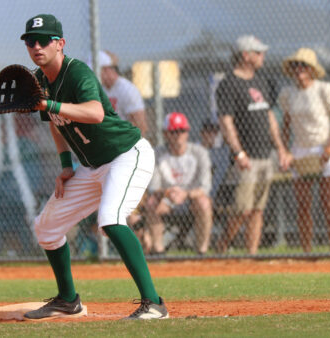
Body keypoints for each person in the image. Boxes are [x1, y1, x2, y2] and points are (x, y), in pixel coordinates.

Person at [19, 14, 168, 320]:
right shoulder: (40, 82)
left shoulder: (77, 73)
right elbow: (55, 125)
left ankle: (154, 304)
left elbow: (95, 113)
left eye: (44, 40)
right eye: (31, 41)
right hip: (91, 166)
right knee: (45, 228)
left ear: (60, 44)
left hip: (127, 154)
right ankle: (67, 300)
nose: (36, 46)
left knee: (110, 219)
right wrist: (65, 166)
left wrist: (50, 105)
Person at [215, 35, 292, 255]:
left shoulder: (262, 80)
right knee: (242, 209)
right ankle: (221, 249)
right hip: (246, 156)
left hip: (264, 154)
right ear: (245, 55)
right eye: (258, 53)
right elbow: (226, 121)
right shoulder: (229, 84)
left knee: (258, 209)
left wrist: (280, 148)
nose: (262, 56)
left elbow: (269, 117)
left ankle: (252, 254)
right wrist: (238, 152)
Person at [279, 48, 330, 253]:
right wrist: (286, 151)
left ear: (312, 70)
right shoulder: (288, 94)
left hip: (323, 147)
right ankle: (306, 251)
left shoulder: (323, 89)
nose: (299, 70)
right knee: (303, 204)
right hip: (301, 149)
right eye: (296, 66)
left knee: (327, 202)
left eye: (303, 66)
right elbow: (286, 125)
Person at [136, 112, 213, 255]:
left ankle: (201, 252)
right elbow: (154, 187)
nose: (178, 135)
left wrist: (186, 194)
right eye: (173, 131)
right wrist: (168, 193)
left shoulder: (199, 152)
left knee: (204, 203)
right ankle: (158, 251)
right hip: (167, 199)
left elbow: (205, 187)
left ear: (187, 133)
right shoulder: (157, 154)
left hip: (192, 199)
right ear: (166, 134)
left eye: (181, 131)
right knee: (152, 203)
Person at [98, 50, 148, 136]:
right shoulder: (101, 89)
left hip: (125, 141)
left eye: (98, 70)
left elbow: (140, 124)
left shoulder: (127, 89)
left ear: (107, 69)